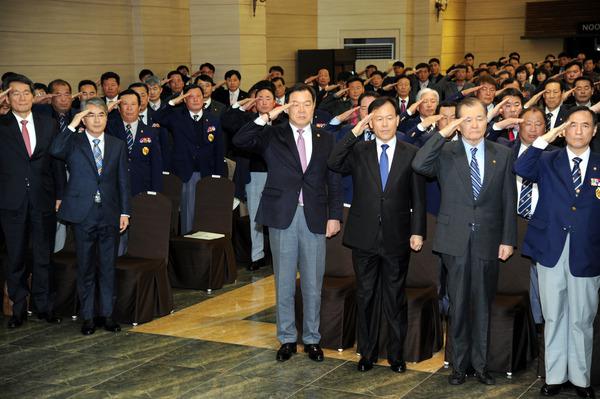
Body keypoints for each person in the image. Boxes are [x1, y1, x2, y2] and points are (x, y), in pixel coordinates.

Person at [233, 83, 343, 363]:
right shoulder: (273, 134)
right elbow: (241, 140)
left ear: (314, 106)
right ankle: (287, 338)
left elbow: (334, 179)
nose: (302, 109)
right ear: (287, 105)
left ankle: (312, 339)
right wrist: (267, 115)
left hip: (315, 215)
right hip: (283, 215)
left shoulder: (326, 138)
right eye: (296, 103)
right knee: (283, 280)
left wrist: (334, 215)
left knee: (312, 282)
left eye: (307, 103)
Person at [412, 97, 517, 386]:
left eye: (479, 118)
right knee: (458, 305)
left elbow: (510, 198)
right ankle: (458, 365)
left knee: (482, 305)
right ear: (458, 123)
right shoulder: (446, 152)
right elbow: (419, 164)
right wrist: (444, 132)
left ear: (488, 120)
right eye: (467, 119)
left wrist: (508, 238)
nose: (474, 125)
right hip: (454, 239)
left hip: (488, 239)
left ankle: (481, 366)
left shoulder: (502, 153)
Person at [328, 96, 426, 373]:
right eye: (377, 118)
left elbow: (419, 199)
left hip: (398, 236)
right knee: (366, 296)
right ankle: (367, 353)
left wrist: (418, 231)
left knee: (395, 298)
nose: (384, 123)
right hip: (364, 236)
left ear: (398, 120)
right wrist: (355, 131)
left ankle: (396, 355)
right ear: (371, 122)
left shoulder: (411, 152)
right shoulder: (360, 150)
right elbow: (334, 162)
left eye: (389, 117)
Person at [514, 106, 599, 398]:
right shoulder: (548, 159)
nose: (578, 131)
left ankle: (580, 379)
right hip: (550, 248)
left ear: (594, 130)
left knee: (581, 318)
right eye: (572, 125)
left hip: (587, 253)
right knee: (554, 316)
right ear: (563, 129)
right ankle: (554, 376)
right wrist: (545, 138)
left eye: (585, 126)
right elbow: (521, 168)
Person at [50, 97, 130, 335]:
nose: (97, 120)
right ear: (84, 118)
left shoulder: (116, 144)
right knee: (86, 267)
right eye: (91, 115)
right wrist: (73, 123)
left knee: (107, 266)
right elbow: (55, 150)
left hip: (109, 213)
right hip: (83, 214)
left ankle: (106, 314)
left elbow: (123, 180)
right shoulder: (73, 141)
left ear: (107, 117)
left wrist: (125, 211)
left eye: (101, 115)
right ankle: (87, 316)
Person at [0, 74, 65, 328]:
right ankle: (18, 309)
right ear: (7, 96)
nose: (22, 97)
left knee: (43, 256)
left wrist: (60, 194)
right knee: (15, 258)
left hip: (43, 199)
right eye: (15, 93)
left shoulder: (47, 122)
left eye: (26, 92)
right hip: (11, 201)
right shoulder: (2, 124)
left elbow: (57, 162)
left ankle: (44, 307)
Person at [154, 84, 225, 234]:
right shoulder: (177, 117)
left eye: (198, 96)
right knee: (189, 214)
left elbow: (219, 149)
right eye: (190, 97)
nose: (195, 99)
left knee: (207, 212)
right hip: (186, 173)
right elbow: (157, 117)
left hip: (208, 172)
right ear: (184, 100)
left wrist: (218, 175)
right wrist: (173, 102)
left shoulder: (213, 119)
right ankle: (189, 244)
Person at [107, 89, 163, 196]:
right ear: (118, 108)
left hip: (142, 188)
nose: (129, 108)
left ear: (139, 107)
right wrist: (105, 111)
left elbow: (156, 165)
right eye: (125, 104)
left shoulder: (150, 132)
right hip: (115, 188)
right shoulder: (109, 128)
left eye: (133, 104)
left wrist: (155, 192)